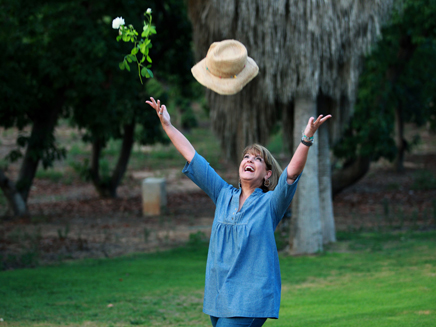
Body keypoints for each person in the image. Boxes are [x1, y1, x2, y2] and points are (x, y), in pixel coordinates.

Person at [146, 40, 331, 327]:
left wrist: (306, 138)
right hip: (219, 296)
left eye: (257, 159)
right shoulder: (223, 195)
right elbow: (194, 157)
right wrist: (168, 125)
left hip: (252, 298)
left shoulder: (270, 204)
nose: (249, 160)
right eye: (246, 156)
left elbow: (292, 175)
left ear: (267, 174)